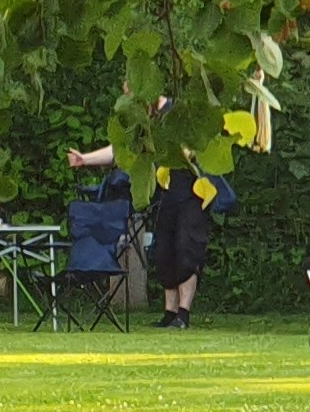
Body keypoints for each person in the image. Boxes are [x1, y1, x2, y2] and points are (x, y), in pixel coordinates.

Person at [68, 141, 228, 328]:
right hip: (166, 196)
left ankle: (183, 314)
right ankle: (170, 313)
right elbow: (124, 148)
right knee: (163, 252)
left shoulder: (190, 123)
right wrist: (85, 159)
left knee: (187, 248)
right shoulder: (153, 124)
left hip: (194, 196)